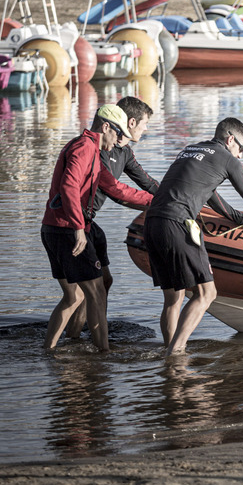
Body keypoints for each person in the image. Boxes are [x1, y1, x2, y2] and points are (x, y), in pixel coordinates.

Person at [144, 117, 243, 355]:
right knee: (207, 293)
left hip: (152, 222)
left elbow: (211, 196)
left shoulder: (190, 149)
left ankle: (168, 355)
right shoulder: (227, 158)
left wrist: (241, 219)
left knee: (174, 297)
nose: (240, 155)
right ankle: (176, 353)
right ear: (231, 139)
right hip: (178, 223)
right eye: (241, 148)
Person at [41, 104, 154, 352]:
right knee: (96, 292)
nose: (117, 142)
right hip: (67, 230)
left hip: (56, 228)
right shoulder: (83, 148)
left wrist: (157, 201)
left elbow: (116, 189)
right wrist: (79, 228)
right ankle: (104, 353)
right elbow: (69, 187)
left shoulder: (92, 150)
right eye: (117, 134)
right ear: (105, 127)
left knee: (75, 296)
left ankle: (48, 351)